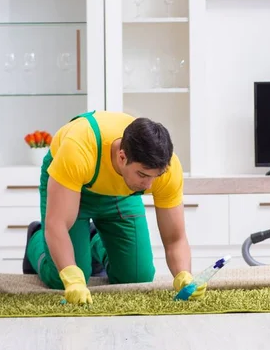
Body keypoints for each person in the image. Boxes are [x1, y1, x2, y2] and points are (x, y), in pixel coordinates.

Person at [22, 110, 206, 305]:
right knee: (63, 278)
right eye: (143, 175)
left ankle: (92, 240)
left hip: (122, 191)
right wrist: (73, 280)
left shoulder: (165, 169)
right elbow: (57, 224)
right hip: (74, 188)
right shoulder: (78, 148)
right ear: (122, 157)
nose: (150, 186)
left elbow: (174, 238)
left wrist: (183, 275)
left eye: (156, 177)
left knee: (136, 278)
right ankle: (36, 237)